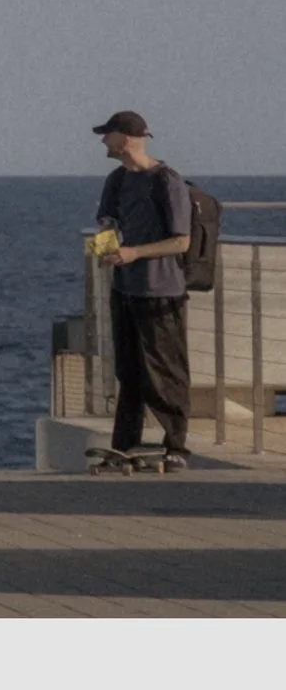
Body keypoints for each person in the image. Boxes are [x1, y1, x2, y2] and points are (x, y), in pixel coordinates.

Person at [91, 110, 192, 470]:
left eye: (109, 135)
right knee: (129, 371)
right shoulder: (116, 180)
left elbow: (181, 242)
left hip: (161, 291)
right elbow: (106, 219)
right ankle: (125, 443)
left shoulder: (167, 181)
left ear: (127, 139)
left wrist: (136, 252)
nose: (103, 141)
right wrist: (108, 243)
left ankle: (176, 444)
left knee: (165, 371)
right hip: (125, 289)